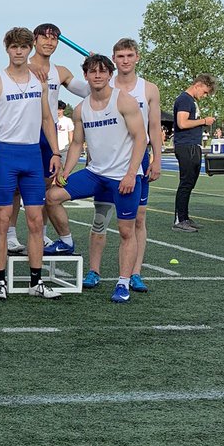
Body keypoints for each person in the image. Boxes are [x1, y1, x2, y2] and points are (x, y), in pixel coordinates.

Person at [46, 55, 147, 303]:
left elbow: (141, 139)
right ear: (86, 75)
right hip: (96, 174)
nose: (98, 76)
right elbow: (77, 143)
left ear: (110, 75)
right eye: (92, 72)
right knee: (52, 196)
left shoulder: (124, 100)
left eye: (102, 71)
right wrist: (66, 172)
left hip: (123, 176)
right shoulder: (81, 109)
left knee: (126, 231)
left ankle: (123, 283)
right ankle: (66, 241)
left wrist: (131, 174)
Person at [0, 27, 63, 300]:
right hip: (6, 155)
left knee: (36, 220)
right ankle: (0, 281)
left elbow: (48, 120)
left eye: (23, 47)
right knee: (2, 221)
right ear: (7, 49)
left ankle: (35, 282)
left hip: (32, 156)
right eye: (14, 47)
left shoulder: (40, 81)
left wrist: (56, 153)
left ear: (29, 49)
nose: (19, 51)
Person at [81, 39, 162, 291]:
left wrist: (157, 158)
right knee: (100, 217)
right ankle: (93, 270)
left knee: (138, 218)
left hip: (136, 163)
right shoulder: (102, 80)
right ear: (113, 60)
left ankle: (134, 273)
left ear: (137, 57)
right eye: (120, 56)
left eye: (129, 55)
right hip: (104, 164)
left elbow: (154, 127)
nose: (125, 60)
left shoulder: (149, 89)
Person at [7, 23, 88, 256]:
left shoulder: (60, 71)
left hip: (47, 133)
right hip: (23, 131)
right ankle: (11, 235)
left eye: (54, 39)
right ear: (35, 39)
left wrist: (96, 65)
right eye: (44, 37)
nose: (49, 42)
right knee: (15, 189)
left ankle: (40, 234)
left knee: (43, 188)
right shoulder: (22, 65)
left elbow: (87, 90)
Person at [172, 73, 216, 231]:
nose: (204, 96)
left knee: (190, 183)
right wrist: (204, 121)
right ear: (198, 85)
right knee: (185, 183)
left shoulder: (190, 101)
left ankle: (184, 217)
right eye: (204, 92)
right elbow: (182, 123)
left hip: (193, 145)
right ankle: (179, 220)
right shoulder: (184, 99)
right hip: (186, 146)